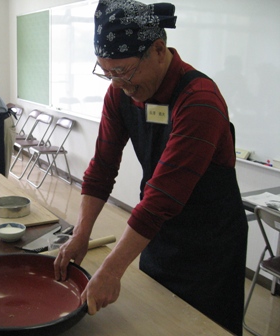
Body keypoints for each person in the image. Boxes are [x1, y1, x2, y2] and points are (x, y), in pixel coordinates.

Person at [54, 1, 248, 335]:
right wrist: (81, 234)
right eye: (106, 72)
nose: (117, 84)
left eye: (123, 72)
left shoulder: (200, 100)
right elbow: (101, 169)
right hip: (155, 232)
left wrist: (112, 269)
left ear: (158, 50)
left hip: (208, 244)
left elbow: (162, 196)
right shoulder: (120, 94)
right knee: (155, 319)